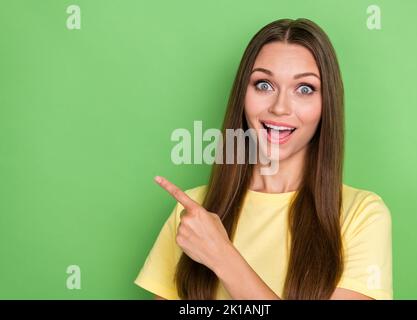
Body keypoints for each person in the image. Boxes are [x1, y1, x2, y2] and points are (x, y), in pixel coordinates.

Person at [134, 18, 392, 300]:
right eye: (264, 85)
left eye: (304, 89)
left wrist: (223, 256)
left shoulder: (362, 214)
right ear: (242, 96)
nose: (280, 107)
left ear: (326, 104)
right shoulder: (195, 214)